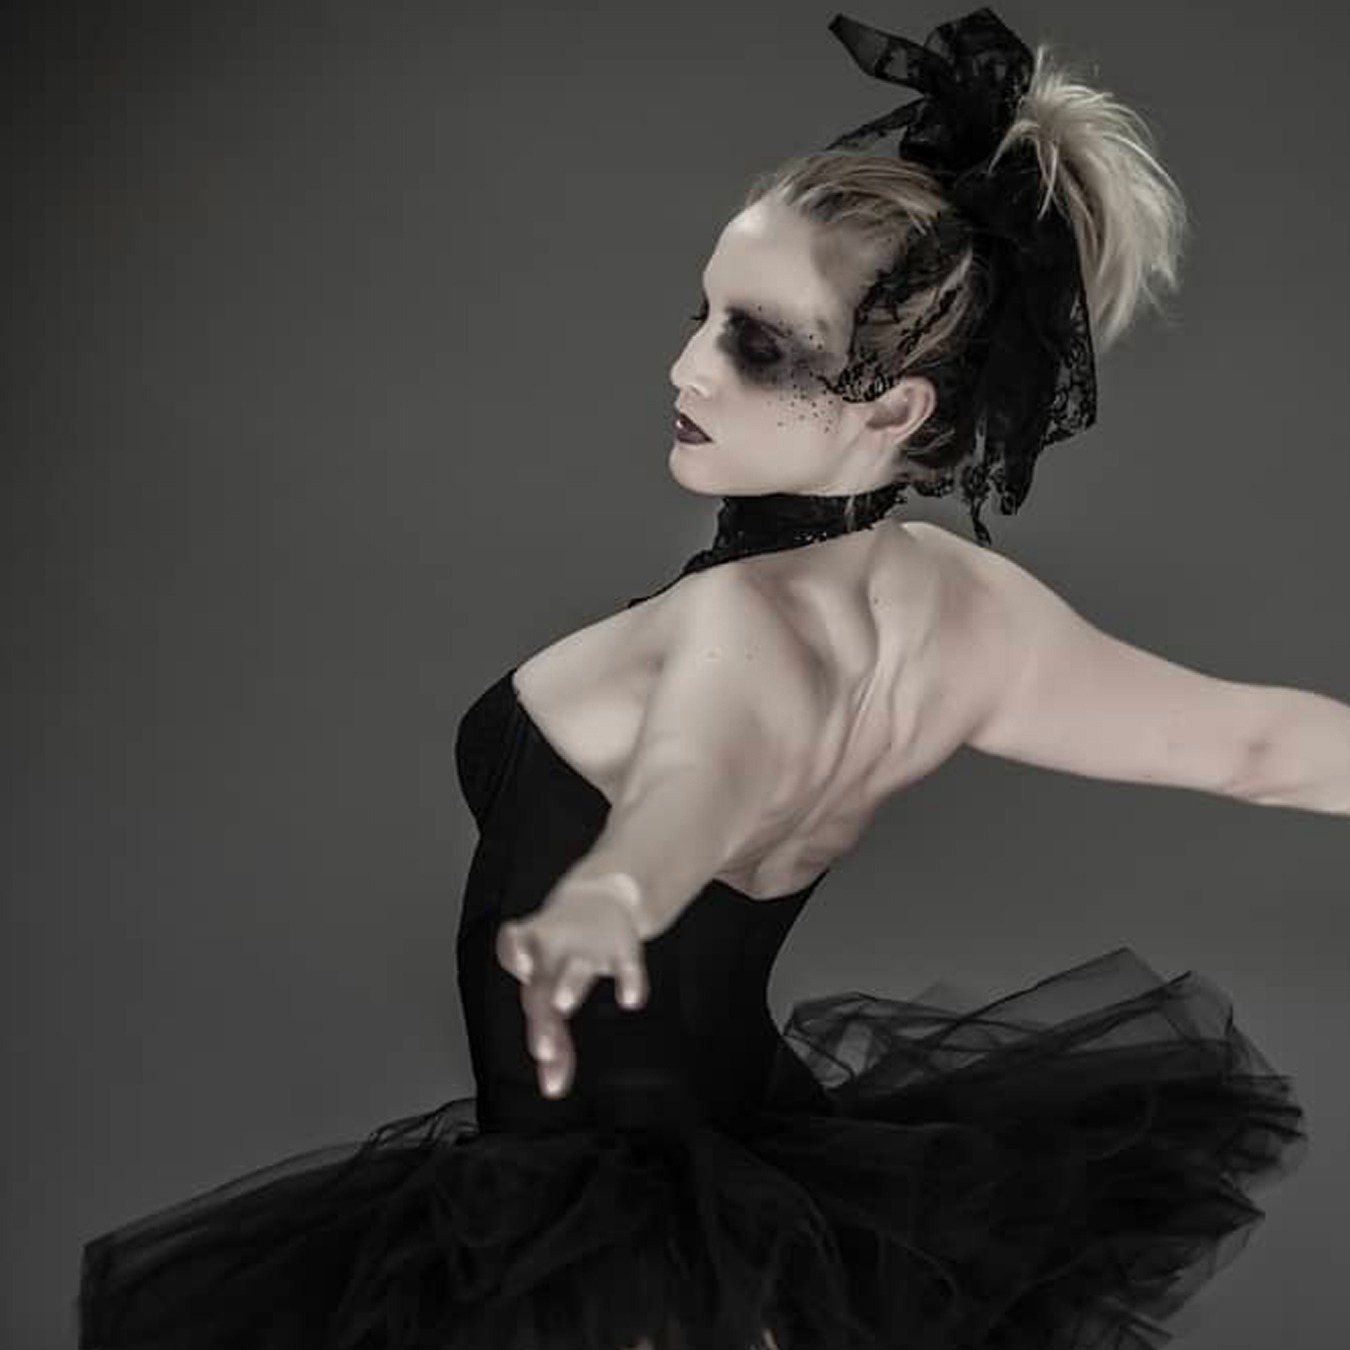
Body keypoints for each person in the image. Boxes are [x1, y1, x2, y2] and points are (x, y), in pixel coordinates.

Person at [76, 9, 1321, 1350]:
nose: (684, 365)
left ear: (894, 408)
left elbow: (698, 772)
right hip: (746, 1176)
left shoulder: (737, 632)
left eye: (757, 344)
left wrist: (617, 890)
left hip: (593, 1247)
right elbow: (1258, 746)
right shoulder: (969, 609)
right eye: (705, 312)